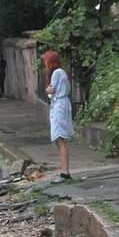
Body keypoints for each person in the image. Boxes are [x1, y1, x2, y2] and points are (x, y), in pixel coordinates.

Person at [44, 51, 74, 184]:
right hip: (63, 104)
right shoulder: (62, 72)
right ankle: (64, 171)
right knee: (60, 138)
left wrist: (47, 90)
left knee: (59, 138)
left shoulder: (56, 73)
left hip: (59, 106)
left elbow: (51, 90)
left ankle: (64, 172)